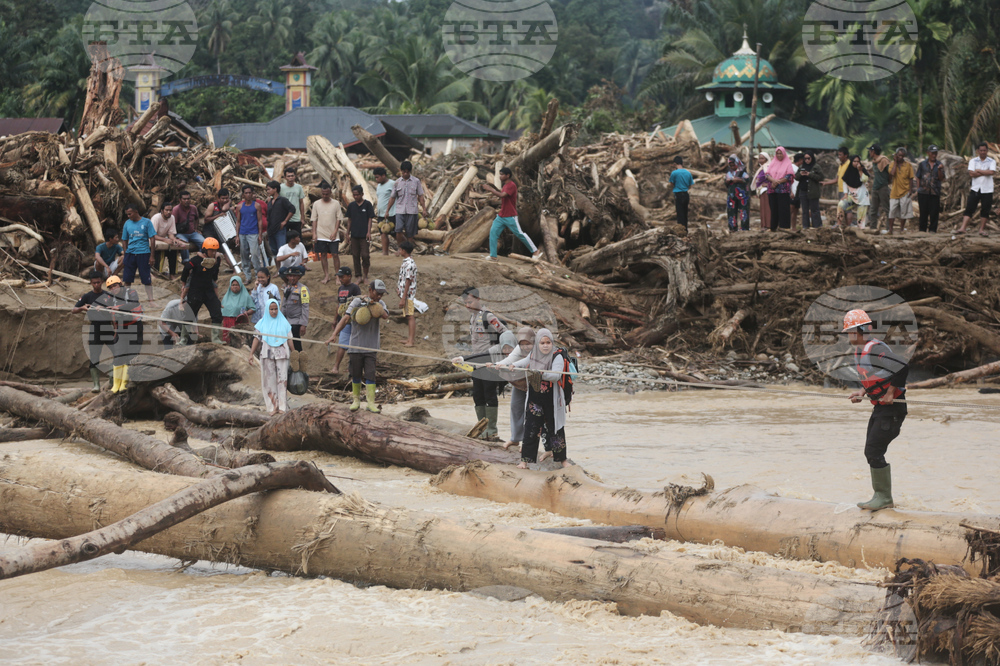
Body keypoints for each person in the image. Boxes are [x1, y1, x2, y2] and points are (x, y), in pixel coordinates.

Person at [843, 309, 908, 511]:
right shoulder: (862, 350)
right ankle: (881, 496)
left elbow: (902, 366)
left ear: (860, 330)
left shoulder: (874, 349)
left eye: (850, 331)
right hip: (880, 409)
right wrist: (862, 392)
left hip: (892, 409)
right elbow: (874, 376)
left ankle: (884, 498)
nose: (848, 336)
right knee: (871, 451)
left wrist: (890, 394)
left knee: (873, 451)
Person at [506, 328, 571, 469]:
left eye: (548, 342)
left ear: (552, 343)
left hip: (552, 401)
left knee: (556, 430)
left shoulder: (557, 356)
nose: (545, 345)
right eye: (542, 343)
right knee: (531, 429)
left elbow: (555, 376)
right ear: (538, 344)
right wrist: (513, 365)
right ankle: (524, 461)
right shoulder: (534, 353)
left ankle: (563, 460)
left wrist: (538, 374)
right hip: (534, 400)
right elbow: (524, 362)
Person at [453, 286, 509, 440]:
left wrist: (498, 351)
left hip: (489, 360)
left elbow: (505, 333)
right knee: (478, 394)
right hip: (477, 361)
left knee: (489, 394)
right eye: (465, 302)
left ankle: (492, 429)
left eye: (470, 301)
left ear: (478, 299)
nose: (467, 305)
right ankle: (481, 426)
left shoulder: (488, 316)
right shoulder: (473, 317)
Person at [330, 279, 390, 413]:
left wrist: (374, 304)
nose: (380, 296)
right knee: (355, 374)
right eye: (377, 293)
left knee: (370, 375)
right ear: (370, 290)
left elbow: (385, 315)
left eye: (382, 294)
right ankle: (356, 400)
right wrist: (334, 334)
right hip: (355, 346)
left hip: (371, 347)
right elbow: (345, 318)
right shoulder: (357, 302)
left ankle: (370, 403)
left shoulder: (381, 304)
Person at [72, 270, 116, 392]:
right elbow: (74, 310)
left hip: (108, 328)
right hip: (95, 328)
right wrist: (82, 307)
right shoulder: (87, 296)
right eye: (94, 283)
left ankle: (112, 380)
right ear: (91, 283)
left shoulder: (108, 296)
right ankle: (96, 385)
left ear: (102, 282)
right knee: (94, 357)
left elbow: (116, 312)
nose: (96, 285)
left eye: (98, 282)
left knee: (117, 354)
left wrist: (106, 309)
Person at [483, 166, 539, 260]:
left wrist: (490, 190)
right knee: (493, 233)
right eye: (500, 174)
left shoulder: (512, 185)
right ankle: (493, 256)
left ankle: (535, 251)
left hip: (510, 216)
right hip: (501, 216)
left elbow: (502, 195)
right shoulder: (505, 185)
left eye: (502, 174)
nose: (500, 176)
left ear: (508, 175)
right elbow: (502, 195)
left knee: (519, 234)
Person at [249, 299, 292, 416]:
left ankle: (282, 406)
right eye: (271, 309)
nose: (274, 311)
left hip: (282, 354)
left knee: (282, 380)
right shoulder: (261, 323)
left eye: (276, 309)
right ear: (267, 310)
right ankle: (272, 406)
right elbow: (256, 339)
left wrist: (295, 352)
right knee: (269, 381)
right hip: (267, 354)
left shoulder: (284, 323)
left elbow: (290, 339)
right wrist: (251, 353)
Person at [494, 327, 534, 450]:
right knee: (515, 407)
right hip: (521, 381)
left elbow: (527, 360)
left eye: (528, 344)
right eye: (522, 344)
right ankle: (515, 438)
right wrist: (498, 364)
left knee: (530, 410)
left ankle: (528, 441)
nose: (525, 347)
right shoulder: (518, 348)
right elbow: (510, 359)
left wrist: (514, 365)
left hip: (536, 382)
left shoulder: (539, 348)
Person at [122, 202, 168, 305]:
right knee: (127, 278)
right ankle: (126, 299)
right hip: (130, 253)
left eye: (130, 214)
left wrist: (152, 256)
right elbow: (124, 240)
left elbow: (152, 238)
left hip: (143, 253)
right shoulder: (127, 223)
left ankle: (150, 300)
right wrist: (125, 254)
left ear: (136, 212)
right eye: (127, 214)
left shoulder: (147, 222)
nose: (128, 216)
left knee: (146, 279)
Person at [181, 237, 223, 345]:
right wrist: (184, 283)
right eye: (211, 250)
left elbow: (215, 275)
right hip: (196, 291)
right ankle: (183, 339)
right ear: (205, 250)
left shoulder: (217, 260)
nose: (213, 253)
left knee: (217, 312)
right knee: (190, 314)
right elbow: (186, 270)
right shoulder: (196, 260)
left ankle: (216, 339)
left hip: (209, 290)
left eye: (215, 250)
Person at [107, 275, 144, 394]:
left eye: (115, 285)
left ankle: (125, 383)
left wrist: (119, 308)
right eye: (110, 287)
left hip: (134, 326)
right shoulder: (110, 298)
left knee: (131, 356)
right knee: (118, 356)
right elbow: (112, 315)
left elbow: (134, 303)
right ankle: (116, 384)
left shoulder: (131, 292)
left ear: (120, 284)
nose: (113, 288)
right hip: (121, 328)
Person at [325, 266, 361, 374]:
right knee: (342, 344)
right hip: (342, 320)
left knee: (353, 345)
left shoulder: (355, 288)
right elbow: (338, 305)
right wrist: (335, 319)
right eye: (339, 277)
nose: (340, 279)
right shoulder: (340, 288)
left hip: (351, 321)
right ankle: (336, 367)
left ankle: (351, 367)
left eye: (342, 277)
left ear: (349, 276)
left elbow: (358, 303)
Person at [957, 142, 996, 236]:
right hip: (976, 189)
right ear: (978, 151)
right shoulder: (973, 161)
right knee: (970, 208)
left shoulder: (992, 161)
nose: (983, 152)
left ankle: (981, 230)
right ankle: (963, 228)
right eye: (981, 150)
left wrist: (978, 171)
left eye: (984, 150)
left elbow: (991, 172)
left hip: (987, 189)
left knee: (985, 209)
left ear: (987, 151)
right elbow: (971, 174)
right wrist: (984, 172)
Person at [386, 160, 429, 247]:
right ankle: (401, 248)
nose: (405, 174)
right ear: (401, 171)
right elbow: (392, 198)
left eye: (407, 172)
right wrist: (387, 211)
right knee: (398, 231)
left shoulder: (416, 181)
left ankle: (409, 251)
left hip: (412, 211)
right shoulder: (397, 183)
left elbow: (421, 196)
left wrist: (424, 209)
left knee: (410, 234)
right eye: (404, 171)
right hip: (400, 211)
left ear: (410, 171)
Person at [311, 181, 343, 284]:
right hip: (320, 234)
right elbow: (314, 220)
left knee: (335, 254)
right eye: (323, 194)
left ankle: (337, 276)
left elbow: (339, 219)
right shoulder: (316, 204)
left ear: (330, 193)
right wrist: (314, 234)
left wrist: (335, 232)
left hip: (333, 234)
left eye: (327, 194)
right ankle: (326, 275)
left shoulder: (336, 203)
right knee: (323, 255)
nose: (325, 196)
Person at [346, 184, 375, 284]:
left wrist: (368, 232)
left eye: (357, 195)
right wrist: (347, 233)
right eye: (354, 195)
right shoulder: (351, 206)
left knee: (365, 255)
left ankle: (365, 276)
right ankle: (358, 276)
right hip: (354, 235)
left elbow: (370, 219)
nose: (355, 197)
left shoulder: (367, 205)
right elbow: (349, 220)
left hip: (364, 235)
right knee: (355, 255)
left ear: (362, 194)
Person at [234, 185, 266, 278]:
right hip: (242, 233)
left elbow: (260, 220)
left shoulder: (257, 205)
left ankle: (258, 275)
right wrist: (237, 235)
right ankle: (247, 276)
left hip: (253, 233)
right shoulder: (240, 206)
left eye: (249, 193)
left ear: (252, 194)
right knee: (244, 255)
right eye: (246, 193)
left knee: (255, 254)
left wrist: (260, 235)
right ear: (243, 194)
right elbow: (238, 221)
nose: (248, 195)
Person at [150, 201, 187, 279]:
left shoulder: (172, 218)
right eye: (166, 210)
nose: (169, 212)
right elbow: (153, 235)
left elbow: (171, 233)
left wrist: (174, 239)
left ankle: (172, 274)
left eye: (170, 210)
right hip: (151, 240)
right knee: (160, 250)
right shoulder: (156, 218)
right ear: (162, 211)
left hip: (162, 239)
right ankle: (156, 273)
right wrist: (165, 240)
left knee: (173, 250)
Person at [762, 146, 795, 231]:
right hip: (772, 189)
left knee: (783, 208)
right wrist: (774, 181)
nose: (779, 155)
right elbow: (767, 174)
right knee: (773, 208)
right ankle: (773, 227)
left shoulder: (788, 163)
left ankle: (784, 227)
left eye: (781, 153)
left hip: (783, 190)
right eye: (777, 153)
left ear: (784, 154)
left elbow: (788, 176)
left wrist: (777, 182)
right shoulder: (773, 163)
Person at [915, 145, 946, 233]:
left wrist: (940, 170)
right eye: (932, 153)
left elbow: (941, 178)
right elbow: (918, 177)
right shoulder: (922, 164)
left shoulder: (940, 165)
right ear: (928, 153)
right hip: (923, 192)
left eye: (935, 153)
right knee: (923, 212)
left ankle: (932, 229)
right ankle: (922, 230)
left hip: (935, 192)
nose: (934, 155)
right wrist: (918, 189)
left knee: (934, 212)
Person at [281, 265, 309, 353]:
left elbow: (305, 307)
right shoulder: (287, 288)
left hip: (296, 322)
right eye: (290, 276)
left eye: (294, 276)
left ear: (299, 277)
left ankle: (300, 364)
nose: (292, 278)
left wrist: (303, 324)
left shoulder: (303, 289)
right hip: (286, 321)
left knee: (296, 345)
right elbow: (283, 305)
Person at [220, 275, 255, 345]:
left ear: (240, 285)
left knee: (239, 341)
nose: (235, 287)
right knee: (228, 339)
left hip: (240, 322)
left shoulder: (245, 296)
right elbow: (221, 309)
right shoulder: (226, 296)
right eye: (233, 285)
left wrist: (246, 313)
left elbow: (253, 308)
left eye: (237, 285)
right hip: (228, 322)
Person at [171, 191, 205, 262]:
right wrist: (174, 236)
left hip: (192, 233)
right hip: (181, 233)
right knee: (184, 244)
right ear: (180, 200)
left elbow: (196, 219)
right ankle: (186, 261)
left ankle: (202, 259)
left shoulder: (193, 208)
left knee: (204, 242)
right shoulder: (176, 209)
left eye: (188, 199)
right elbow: (173, 224)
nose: (187, 201)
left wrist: (196, 228)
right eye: (184, 199)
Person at [888, 147, 915, 235]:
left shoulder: (908, 165)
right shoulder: (892, 164)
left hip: (905, 191)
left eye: (902, 156)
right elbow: (892, 174)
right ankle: (890, 230)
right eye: (899, 155)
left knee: (904, 212)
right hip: (894, 192)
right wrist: (895, 162)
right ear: (896, 155)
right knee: (892, 210)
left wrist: (910, 190)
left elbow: (911, 178)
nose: (900, 157)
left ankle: (902, 229)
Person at [837, 155, 870, 228]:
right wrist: (845, 194)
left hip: (862, 197)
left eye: (858, 161)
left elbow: (864, 180)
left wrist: (860, 171)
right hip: (852, 196)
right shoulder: (849, 171)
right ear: (851, 162)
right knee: (841, 204)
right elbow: (845, 182)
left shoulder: (862, 170)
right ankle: (839, 224)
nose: (856, 163)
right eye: (854, 161)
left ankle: (861, 231)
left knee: (861, 219)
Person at [265, 180, 295, 258]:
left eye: (269, 189)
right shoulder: (270, 202)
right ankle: (278, 268)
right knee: (274, 251)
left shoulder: (282, 200)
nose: (267, 191)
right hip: (271, 229)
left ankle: (285, 268)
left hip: (280, 229)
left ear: (275, 189)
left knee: (282, 249)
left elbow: (292, 209)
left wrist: (285, 221)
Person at [822, 146, 851, 224]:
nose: (839, 156)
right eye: (838, 155)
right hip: (841, 190)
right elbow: (837, 179)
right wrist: (826, 183)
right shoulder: (841, 165)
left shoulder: (849, 164)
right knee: (843, 209)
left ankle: (847, 226)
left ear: (846, 155)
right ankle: (843, 226)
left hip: (847, 191)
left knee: (848, 210)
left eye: (840, 155)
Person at [397, 240, 418, 347]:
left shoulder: (409, 264)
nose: (399, 251)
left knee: (410, 316)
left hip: (408, 295)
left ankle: (411, 341)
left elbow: (408, 281)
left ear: (404, 250)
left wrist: (403, 297)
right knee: (408, 315)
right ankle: (409, 339)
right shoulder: (406, 262)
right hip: (406, 294)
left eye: (400, 249)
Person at [796, 152, 824, 228]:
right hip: (803, 191)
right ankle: (805, 226)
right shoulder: (802, 166)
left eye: (809, 158)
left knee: (814, 210)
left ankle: (817, 226)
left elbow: (821, 177)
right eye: (805, 159)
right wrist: (801, 174)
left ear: (812, 158)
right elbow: (796, 177)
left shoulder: (816, 167)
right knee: (805, 211)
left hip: (813, 191)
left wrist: (809, 174)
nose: (807, 160)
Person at [867, 145, 891, 229]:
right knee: (873, 209)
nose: (869, 153)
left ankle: (889, 228)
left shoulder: (884, 160)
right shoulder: (874, 161)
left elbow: (890, 172)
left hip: (883, 187)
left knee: (887, 209)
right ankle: (872, 228)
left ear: (873, 152)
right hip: (875, 188)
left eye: (870, 151)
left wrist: (887, 181)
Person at [724, 154, 750, 232]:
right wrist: (728, 181)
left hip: (742, 196)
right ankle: (732, 228)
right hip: (731, 195)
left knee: (743, 211)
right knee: (731, 211)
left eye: (733, 165)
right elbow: (725, 183)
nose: (732, 167)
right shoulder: (729, 172)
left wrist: (739, 180)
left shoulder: (743, 171)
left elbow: (747, 180)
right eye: (730, 165)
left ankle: (744, 228)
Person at [374, 166, 396, 255]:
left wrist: (388, 210)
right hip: (381, 213)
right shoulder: (378, 186)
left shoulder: (392, 184)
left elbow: (395, 197)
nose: (376, 179)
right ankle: (385, 252)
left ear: (383, 175)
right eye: (375, 177)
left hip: (391, 213)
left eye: (377, 177)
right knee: (383, 233)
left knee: (395, 233)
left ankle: (403, 249)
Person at [666, 156, 694, 228]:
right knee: (685, 213)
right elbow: (690, 185)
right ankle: (686, 228)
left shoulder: (674, 173)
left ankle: (681, 229)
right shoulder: (688, 173)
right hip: (686, 194)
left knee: (680, 214)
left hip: (678, 194)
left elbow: (671, 184)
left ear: (675, 164)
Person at [280, 168, 307, 237]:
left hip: (296, 218)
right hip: (284, 218)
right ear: (285, 177)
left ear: (295, 176)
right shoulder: (281, 187)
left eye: (292, 176)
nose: (291, 178)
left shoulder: (299, 187)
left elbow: (301, 202)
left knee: (297, 238)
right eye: (288, 176)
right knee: (285, 239)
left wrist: (302, 218)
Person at [752, 152, 771, 230]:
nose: (760, 160)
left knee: (767, 208)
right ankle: (764, 225)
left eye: (762, 158)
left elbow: (771, 177)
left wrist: (767, 184)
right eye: (759, 158)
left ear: (766, 159)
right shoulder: (761, 168)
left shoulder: (767, 167)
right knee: (763, 208)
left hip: (766, 190)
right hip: (761, 190)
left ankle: (768, 225)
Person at [789, 153, 803, 230]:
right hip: (793, 191)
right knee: (791, 209)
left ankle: (793, 227)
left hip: (797, 192)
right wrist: (791, 191)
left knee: (795, 210)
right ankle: (787, 226)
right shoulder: (792, 168)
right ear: (800, 160)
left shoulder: (799, 169)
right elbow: (789, 181)